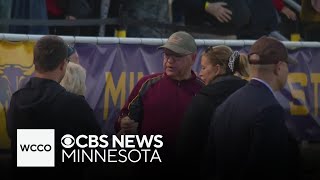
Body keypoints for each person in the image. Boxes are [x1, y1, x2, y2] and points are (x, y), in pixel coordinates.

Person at [206, 36, 301, 180]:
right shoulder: (269, 109)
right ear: (279, 67)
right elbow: (269, 169)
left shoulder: (226, 104)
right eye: (287, 66)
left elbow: (210, 162)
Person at [6, 35, 101, 179]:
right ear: (63, 65)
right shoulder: (74, 104)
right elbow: (95, 147)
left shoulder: (17, 99)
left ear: (34, 62)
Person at [115, 31, 204, 176]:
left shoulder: (203, 90)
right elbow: (122, 117)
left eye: (177, 56)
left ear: (193, 58)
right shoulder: (147, 84)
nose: (169, 61)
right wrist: (124, 123)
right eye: (167, 55)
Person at [176, 45, 249, 177]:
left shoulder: (202, 101)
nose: (200, 73)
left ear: (217, 69)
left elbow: (186, 149)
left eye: (204, 68)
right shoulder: (250, 94)